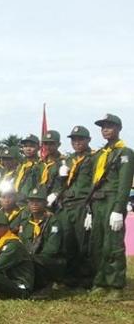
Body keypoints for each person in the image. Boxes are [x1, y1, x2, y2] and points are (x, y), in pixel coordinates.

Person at [86, 113, 133, 298]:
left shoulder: (125, 153)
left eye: (110, 126)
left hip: (113, 201)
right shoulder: (99, 154)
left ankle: (115, 285)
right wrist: (89, 209)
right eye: (103, 127)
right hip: (97, 202)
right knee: (97, 243)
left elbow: (125, 183)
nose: (105, 130)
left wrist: (118, 209)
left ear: (118, 129)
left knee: (113, 244)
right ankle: (100, 281)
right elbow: (93, 182)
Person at [55, 125, 94, 288]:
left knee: (83, 243)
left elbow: (97, 182)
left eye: (80, 139)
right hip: (66, 204)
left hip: (82, 204)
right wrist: (61, 179)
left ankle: (86, 279)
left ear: (88, 140)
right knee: (67, 241)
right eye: (74, 140)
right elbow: (63, 184)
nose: (76, 142)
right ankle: (69, 277)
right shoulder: (68, 160)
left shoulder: (94, 158)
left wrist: (91, 207)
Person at [19, 188, 64, 296]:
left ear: (45, 203)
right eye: (31, 201)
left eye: (38, 201)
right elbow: (21, 243)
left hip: (50, 262)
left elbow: (51, 250)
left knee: (35, 262)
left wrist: (30, 258)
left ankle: (46, 287)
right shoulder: (25, 223)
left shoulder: (53, 222)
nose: (34, 204)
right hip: (29, 260)